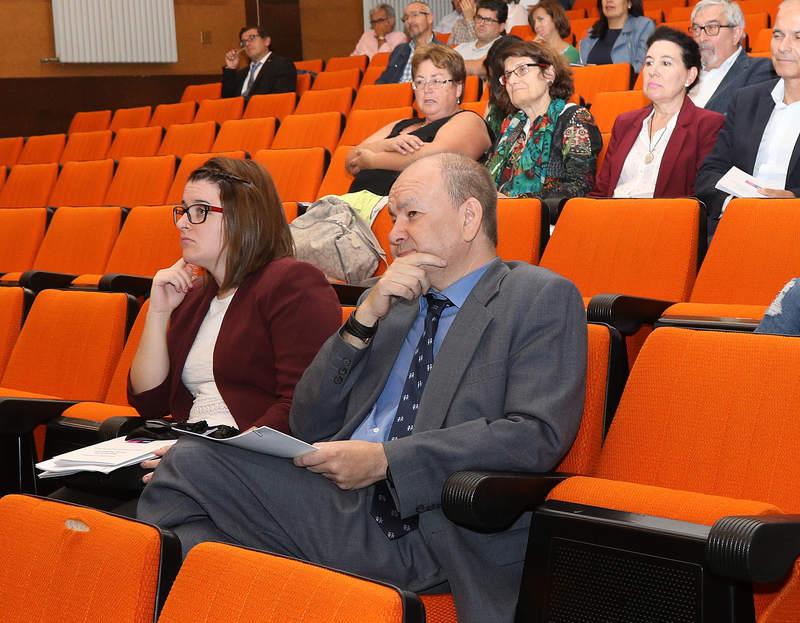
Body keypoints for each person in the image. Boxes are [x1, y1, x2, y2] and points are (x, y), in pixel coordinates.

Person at [137, 152, 588, 623]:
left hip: (427, 525)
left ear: (469, 216)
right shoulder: (397, 306)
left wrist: (387, 462)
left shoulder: (538, 296)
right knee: (189, 510)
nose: (393, 233)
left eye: (411, 213)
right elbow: (309, 419)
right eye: (393, 218)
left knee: (189, 468)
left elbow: (534, 434)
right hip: (340, 499)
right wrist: (364, 318)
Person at [128, 157, 341, 481]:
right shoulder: (196, 297)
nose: (183, 223)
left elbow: (302, 406)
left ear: (244, 216)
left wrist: (212, 455)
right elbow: (149, 401)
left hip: (254, 470)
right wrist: (159, 312)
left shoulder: (292, 282)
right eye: (183, 210)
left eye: (199, 210)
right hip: (190, 457)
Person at [696, 0, 800, 239]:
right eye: (778, 34)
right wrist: (733, 204)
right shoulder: (746, 101)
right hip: (737, 228)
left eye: (798, 37)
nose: (783, 47)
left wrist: (793, 199)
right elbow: (709, 173)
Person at [592, 27, 724, 198]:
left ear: (690, 76)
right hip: (611, 215)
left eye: (666, 63)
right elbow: (601, 192)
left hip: (662, 220)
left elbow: (701, 196)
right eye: (649, 62)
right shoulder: (624, 122)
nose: (653, 71)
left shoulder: (707, 125)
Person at [348, 45, 492, 195]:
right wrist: (386, 145)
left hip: (409, 212)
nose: (427, 88)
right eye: (420, 82)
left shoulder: (468, 120)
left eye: (437, 81)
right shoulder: (401, 124)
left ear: (458, 89)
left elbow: (438, 157)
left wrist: (372, 160)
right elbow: (351, 159)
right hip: (352, 209)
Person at [484, 40, 601, 216]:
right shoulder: (511, 125)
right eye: (508, 75)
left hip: (548, 223)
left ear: (548, 74)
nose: (513, 81)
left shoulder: (574, 118)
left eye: (522, 70)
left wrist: (518, 204)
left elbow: (579, 186)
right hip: (500, 218)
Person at [688, 0, 775, 114]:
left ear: (736, 34)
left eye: (712, 27)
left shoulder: (760, 71)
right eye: (696, 29)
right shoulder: (684, 72)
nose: (701, 38)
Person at [579, 0, 655, 74]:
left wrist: (603, 74)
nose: (608, 0)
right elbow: (579, 69)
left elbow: (641, 67)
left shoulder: (643, 26)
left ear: (629, 3)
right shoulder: (591, 33)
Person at [222, 25, 297, 99]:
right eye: (244, 42)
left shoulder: (282, 65)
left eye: (252, 38)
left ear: (266, 41)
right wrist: (231, 68)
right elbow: (227, 100)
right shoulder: (242, 73)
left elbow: (280, 99)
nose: (247, 44)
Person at [377, 2, 441, 83]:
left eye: (414, 15)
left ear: (429, 18)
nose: (409, 21)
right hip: (395, 94)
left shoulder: (442, 51)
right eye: (406, 18)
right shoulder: (399, 51)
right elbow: (382, 82)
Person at [454, 0, 508, 76]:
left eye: (488, 20)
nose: (481, 24)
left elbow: (480, 68)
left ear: (501, 27)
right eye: (479, 18)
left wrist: (449, 65)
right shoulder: (461, 48)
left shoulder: (504, 47)